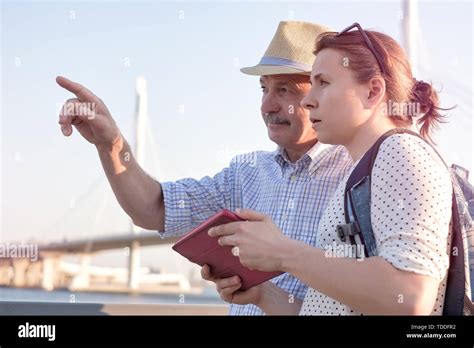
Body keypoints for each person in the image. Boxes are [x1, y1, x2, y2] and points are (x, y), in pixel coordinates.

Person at [56, 21, 353, 315]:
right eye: (263, 89)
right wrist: (111, 145)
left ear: (321, 93)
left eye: (284, 90)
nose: (267, 106)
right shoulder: (246, 171)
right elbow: (154, 208)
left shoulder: (356, 174)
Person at [206, 23, 453, 315]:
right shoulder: (362, 170)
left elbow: (409, 297)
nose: (310, 100)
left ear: (373, 91)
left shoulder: (399, 152)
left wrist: (282, 253)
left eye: (323, 82)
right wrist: (263, 294)